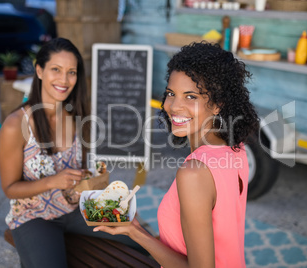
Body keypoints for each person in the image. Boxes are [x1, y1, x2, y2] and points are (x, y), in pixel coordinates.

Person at [94, 42, 259, 267]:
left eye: (191, 96)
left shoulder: (193, 173)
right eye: (171, 93)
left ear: (218, 104)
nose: (174, 106)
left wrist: (136, 232)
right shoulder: (236, 149)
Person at [0, 38, 142, 268]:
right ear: (39, 71)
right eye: (56, 69)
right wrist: (53, 181)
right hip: (34, 217)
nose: (64, 80)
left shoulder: (77, 116)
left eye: (71, 72)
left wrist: (93, 180)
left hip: (78, 208)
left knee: (140, 238)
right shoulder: (16, 125)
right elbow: (10, 188)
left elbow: (85, 170)